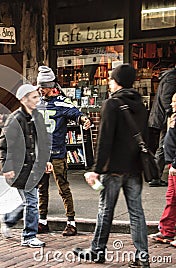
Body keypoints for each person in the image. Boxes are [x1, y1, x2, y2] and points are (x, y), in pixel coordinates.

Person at [73, 64, 149, 268]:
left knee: (105, 210)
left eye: (111, 79)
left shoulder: (111, 104)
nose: (109, 81)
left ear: (118, 81)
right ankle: (143, 256)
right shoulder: (140, 104)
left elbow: (104, 140)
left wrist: (96, 169)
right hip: (134, 168)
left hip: (113, 168)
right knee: (136, 212)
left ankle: (97, 251)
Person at [36, 65, 91, 236]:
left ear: (51, 87)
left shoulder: (62, 102)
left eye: (42, 87)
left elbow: (76, 114)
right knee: (41, 188)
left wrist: (84, 120)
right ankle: (42, 221)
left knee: (63, 187)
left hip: (57, 153)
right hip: (41, 154)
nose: (40, 90)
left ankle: (71, 222)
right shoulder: (37, 103)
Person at [0, 84, 52, 248]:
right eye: (34, 97)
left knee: (30, 201)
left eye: (37, 96)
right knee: (32, 201)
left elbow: (42, 142)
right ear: (23, 99)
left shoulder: (37, 116)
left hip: (33, 168)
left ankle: (7, 219)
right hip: (21, 168)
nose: (38, 99)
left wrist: (46, 161)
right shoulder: (15, 119)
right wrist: (7, 167)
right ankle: (28, 236)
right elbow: (4, 145)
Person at [150, 92, 176, 246]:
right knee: (171, 199)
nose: (172, 104)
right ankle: (167, 230)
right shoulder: (172, 117)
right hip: (172, 164)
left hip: (175, 165)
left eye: (175, 101)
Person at [147, 67, 176, 187]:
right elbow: (166, 98)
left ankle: (155, 175)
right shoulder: (172, 78)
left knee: (163, 145)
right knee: (163, 145)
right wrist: (171, 113)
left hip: (162, 116)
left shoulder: (169, 77)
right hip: (165, 117)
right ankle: (154, 176)